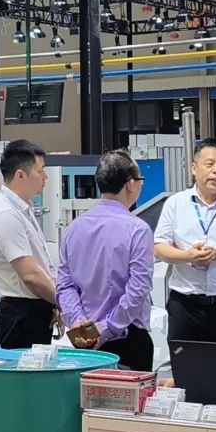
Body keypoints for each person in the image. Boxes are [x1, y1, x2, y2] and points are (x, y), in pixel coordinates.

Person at [57, 150, 154, 371]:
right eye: (140, 180)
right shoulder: (138, 230)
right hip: (127, 340)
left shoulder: (74, 228)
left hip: (84, 340)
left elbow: (64, 285)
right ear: (130, 184)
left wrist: (78, 322)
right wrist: (106, 328)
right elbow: (138, 290)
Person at [154, 138, 216, 343]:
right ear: (194, 168)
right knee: (184, 362)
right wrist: (188, 256)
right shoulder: (175, 204)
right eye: (210, 164)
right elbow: (159, 247)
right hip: (184, 305)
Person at [0, 140, 60, 349]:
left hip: (35, 310)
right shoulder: (6, 214)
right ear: (20, 175)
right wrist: (65, 302)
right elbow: (30, 275)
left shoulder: (22, 208)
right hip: (22, 316)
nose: (45, 177)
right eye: (40, 171)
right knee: (25, 371)